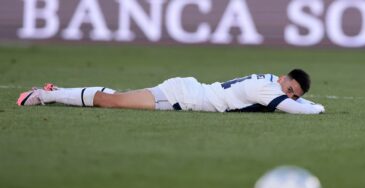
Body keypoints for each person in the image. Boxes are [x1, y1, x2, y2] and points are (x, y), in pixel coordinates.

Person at [17, 69, 325, 114]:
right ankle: (45, 95)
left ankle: (58, 91)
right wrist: (318, 108)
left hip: (188, 94)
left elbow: (292, 101)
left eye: (293, 93)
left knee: (116, 97)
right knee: (110, 102)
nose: (289, 95)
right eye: (289, 88)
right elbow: (295, 108)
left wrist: (304, 99)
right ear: (282, 79)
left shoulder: (271, 79)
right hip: (184, 96)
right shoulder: (265, 88)